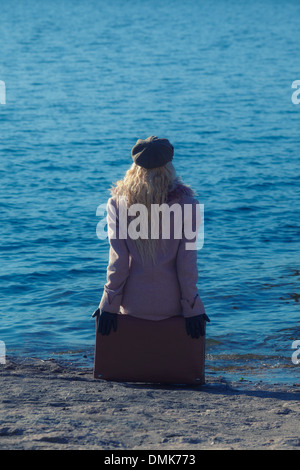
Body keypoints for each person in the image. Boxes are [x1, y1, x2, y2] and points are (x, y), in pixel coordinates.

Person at [93, 136, 209, 338]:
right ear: (169, 166)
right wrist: (192, 307)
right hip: (172, 304)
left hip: (133, 304)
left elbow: (118, 263)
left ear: (134, 166)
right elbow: (186, 264)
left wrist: (108, 304)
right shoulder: (189, 205)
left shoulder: (116, 204)